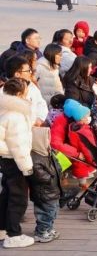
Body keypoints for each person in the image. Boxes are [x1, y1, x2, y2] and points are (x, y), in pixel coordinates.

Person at [0, 78, 34, 248]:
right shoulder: (16, 115)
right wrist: (27, 167)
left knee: (6, 195)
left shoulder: (4, 109)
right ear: (20, 93)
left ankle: (2, 228)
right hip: (15, 160)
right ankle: (13, 235)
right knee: (18, 198)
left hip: (5, 159)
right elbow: (18, 144)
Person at [28, 124, 61, 244]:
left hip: (52, 190)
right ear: (39, 140)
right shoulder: (34, 157)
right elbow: (38, 176)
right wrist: (51, 177)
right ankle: (41, 232)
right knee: (45, 212)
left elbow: (57, 165)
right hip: (43, 192)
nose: (49, 141)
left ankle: (48, 228)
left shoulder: (47, 153)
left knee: (53, 211)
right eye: (47, 138)